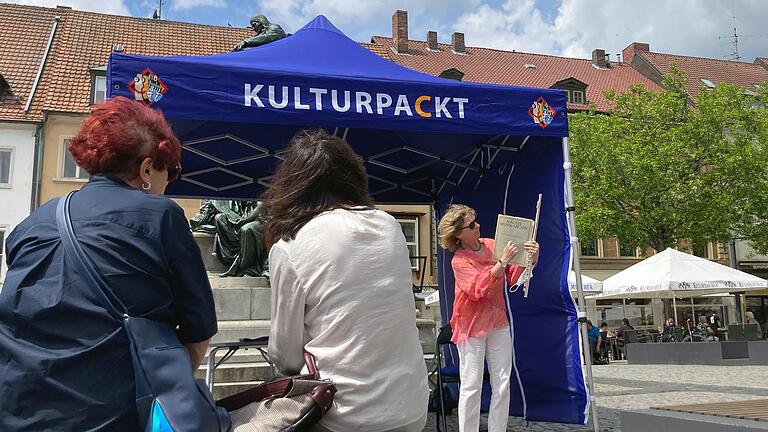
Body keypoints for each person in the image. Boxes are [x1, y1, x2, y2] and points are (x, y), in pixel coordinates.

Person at [0, 97, 217, 431]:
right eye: (170, 172)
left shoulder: (32, 225)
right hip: (113, 416)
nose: (169, 182)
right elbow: (198, 334)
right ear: (146, 170)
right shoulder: (161, 216)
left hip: (19, 411)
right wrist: (162, 390)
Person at [262, 130, 429, 432]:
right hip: (411, 404)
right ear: (354, 177)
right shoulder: (390, 226)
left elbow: (285, 354)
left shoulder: (290, 245)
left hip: (341, 413)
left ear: (291, 186)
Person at [437, 204, 539, 432]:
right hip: (471, 324)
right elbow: (476, 289)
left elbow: (513, 277)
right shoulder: (459, 261)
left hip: (497, 320)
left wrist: (530, 256)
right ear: (458, 234)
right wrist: (501, 263)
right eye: (471, 225)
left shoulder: (492, 245)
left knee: (502, 382)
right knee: (471, 385)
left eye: (476, 221)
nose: (478, 226)